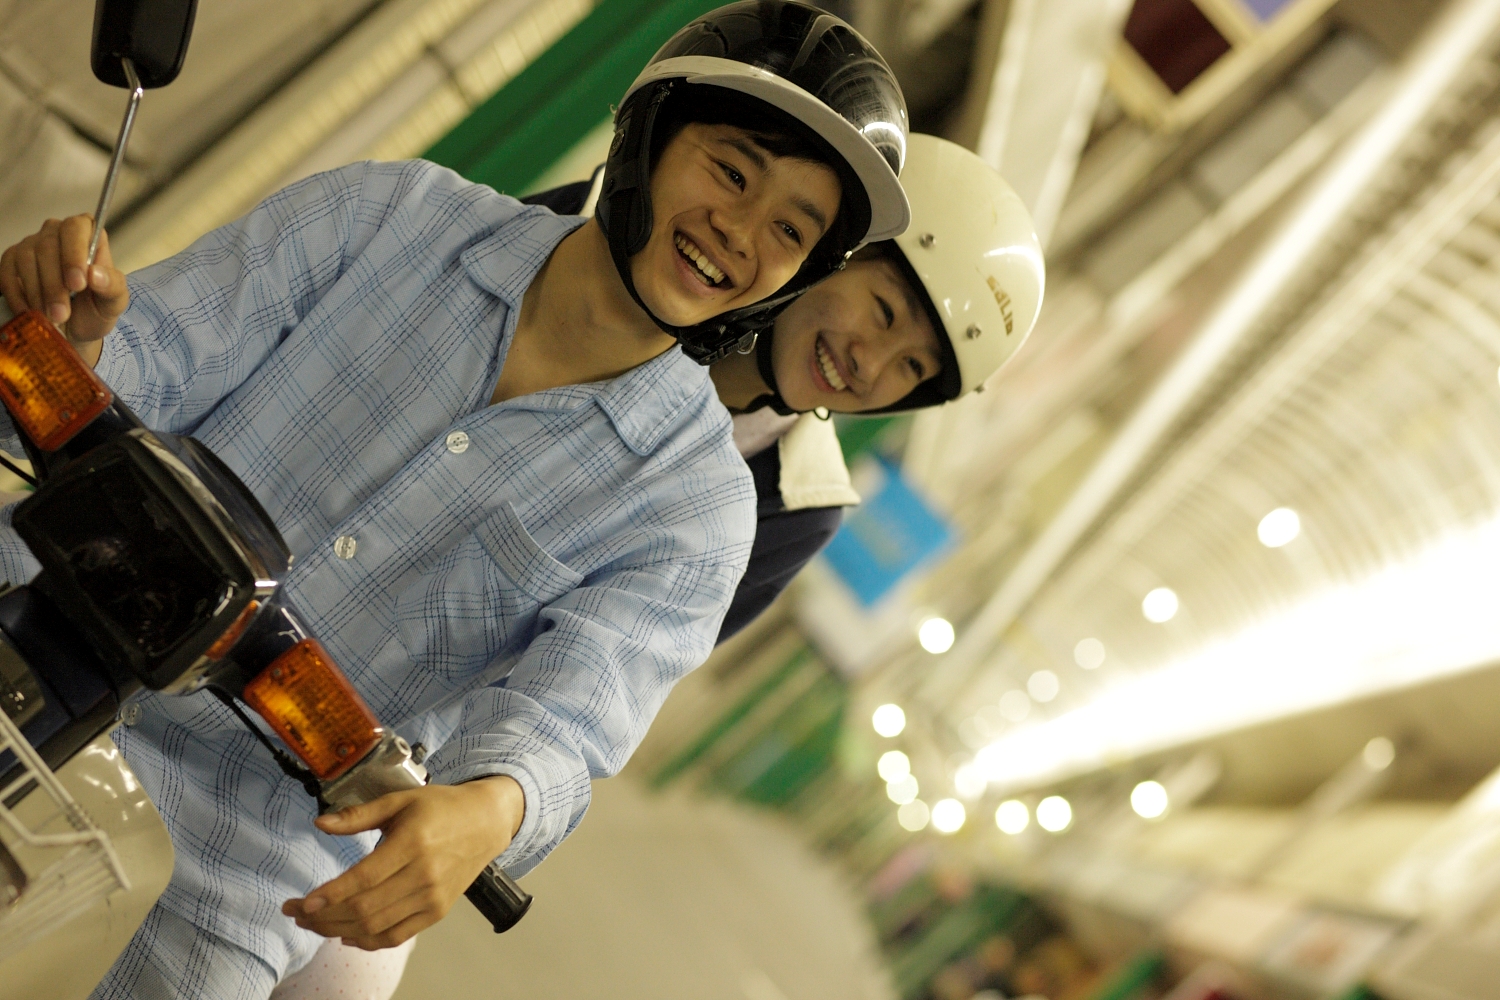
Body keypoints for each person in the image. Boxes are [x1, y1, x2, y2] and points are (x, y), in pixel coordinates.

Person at [0, 4, 910, 998]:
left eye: (791, 229)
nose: (738, 231)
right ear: (648, 136)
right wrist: (76, 338)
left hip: (233, 859)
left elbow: (575, 714)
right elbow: (149, 361)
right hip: (34, 638)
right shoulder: (391, 214)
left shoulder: (697, 513)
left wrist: (492, 807)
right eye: (731, 171)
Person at [526, 132, 1046, 644]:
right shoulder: (601, 236)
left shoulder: (796, 510)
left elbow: (639, 658)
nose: (868, 365)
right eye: (884, 312)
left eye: (912, 366)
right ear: (831, 252)